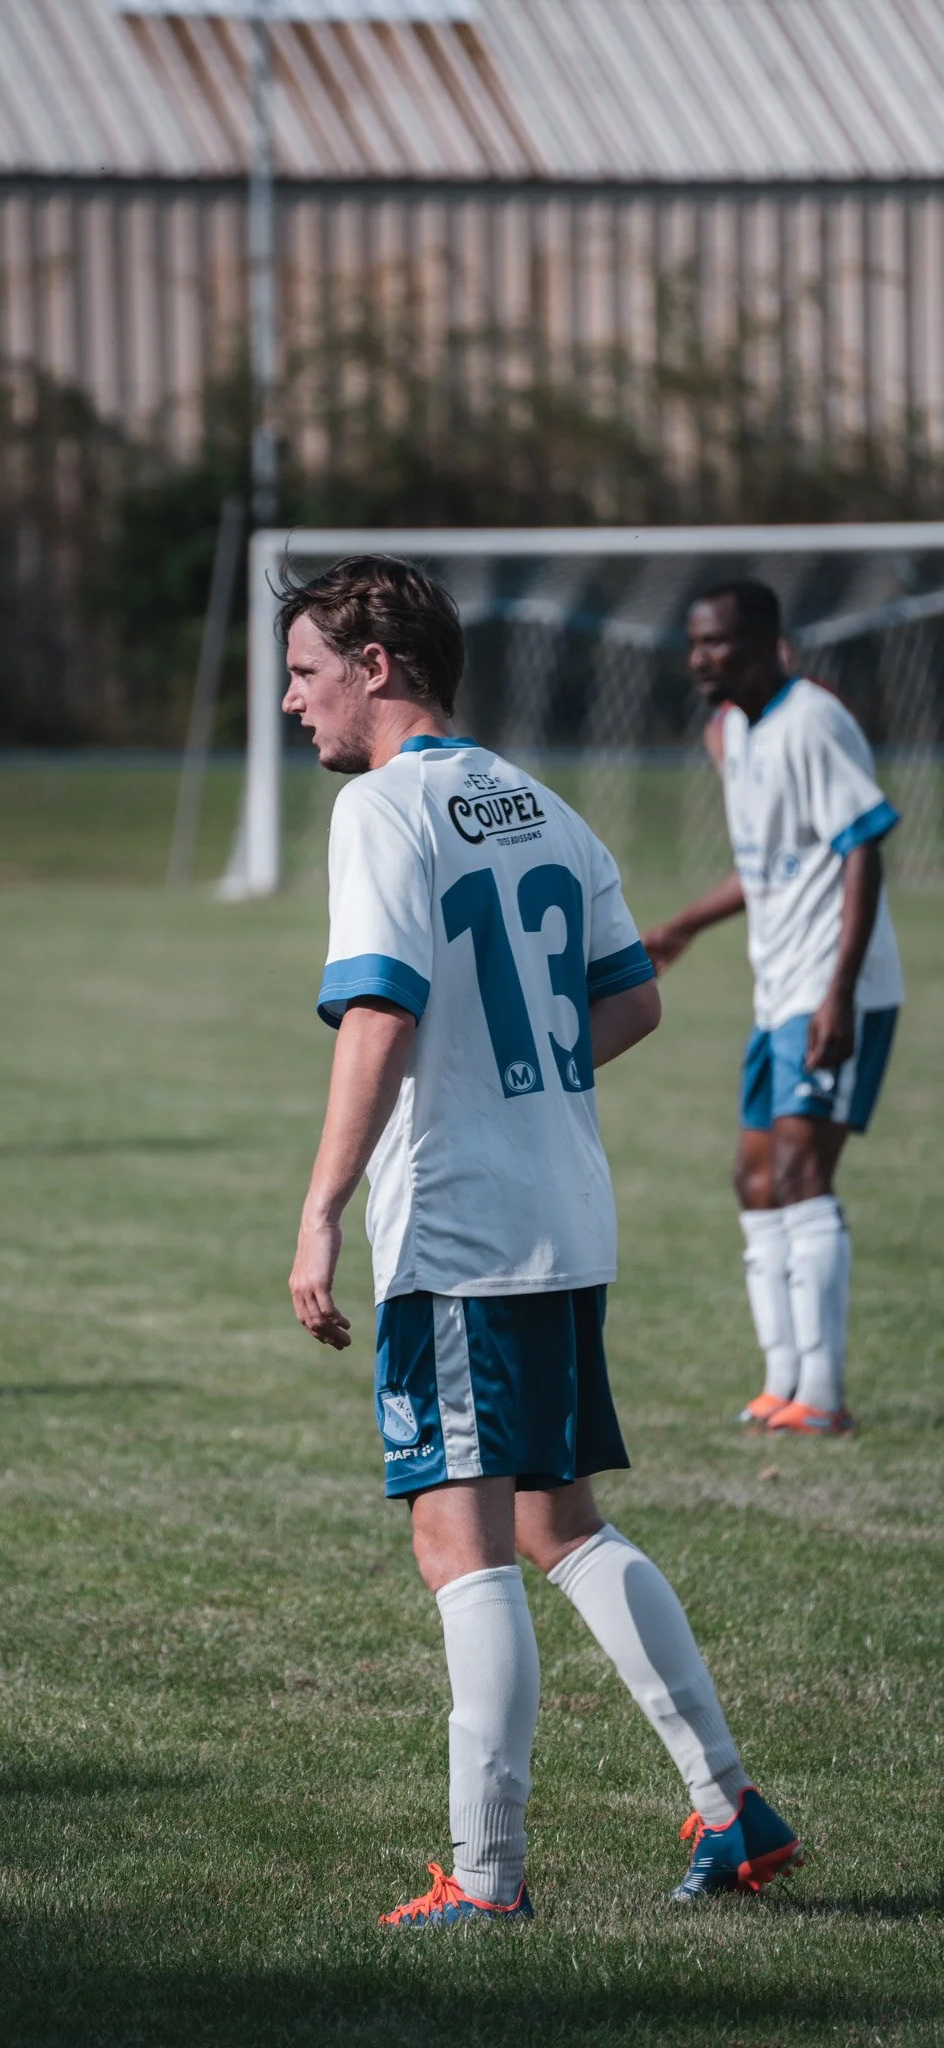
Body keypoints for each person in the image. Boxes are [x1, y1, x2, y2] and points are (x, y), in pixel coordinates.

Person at [282, 555, 801, 1926]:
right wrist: (520, 1079)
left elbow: (380, 1013)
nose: (292, 702)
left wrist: (321, 1207)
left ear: (375, 666)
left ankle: (488, 1876)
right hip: (563, 1211)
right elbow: (629, 1003)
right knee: (557, 1520)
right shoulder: (543, 803)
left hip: (461, 1225)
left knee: (460, 1542)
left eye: (305, 672)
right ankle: (732, 1808)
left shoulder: (383, 809)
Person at [642, 581, 903, 1436]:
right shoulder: (740, 730)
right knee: (752, 1179)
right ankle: (779, 1384)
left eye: (714, 643)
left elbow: (861, 850)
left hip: (829, 991)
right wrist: (681, 926)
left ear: (762, 644)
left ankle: (821, 1396)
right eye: (693, 643)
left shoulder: (810, 721)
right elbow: (766, 867)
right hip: (775, 991)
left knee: (798, 1172)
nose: (698, 659)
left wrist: (837, 994)